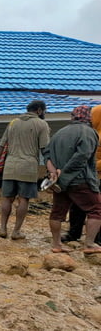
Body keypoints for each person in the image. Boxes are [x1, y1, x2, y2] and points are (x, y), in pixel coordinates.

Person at [43, 105, 101, 254]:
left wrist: (54, 174)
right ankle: (89, 244)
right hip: (81, 180)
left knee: (57, 213)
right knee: (96, 210)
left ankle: (56, 245)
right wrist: (65, 175)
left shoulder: (59, 133)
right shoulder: (88, 132)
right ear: (88, 117)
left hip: (59, 183)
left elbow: (46, 155)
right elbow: (82, 157)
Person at [0, 100, 50, 240]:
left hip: (10, 166)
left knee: (7, 198)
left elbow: (1, 146)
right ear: (39, 110)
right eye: (44, 111)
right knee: (23, 199)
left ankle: (2, 228)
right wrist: (50, 168)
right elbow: (45, 149)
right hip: (28, 167)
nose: (45, 113)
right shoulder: (41, 124)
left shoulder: (13, 122)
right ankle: (16, 231)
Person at [62, 104, 101, 244]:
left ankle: (96, 238)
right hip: (87, 175)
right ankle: (74, 233)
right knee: (78, 204)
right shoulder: (88, 132)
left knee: (95, 207)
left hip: (93, 174)